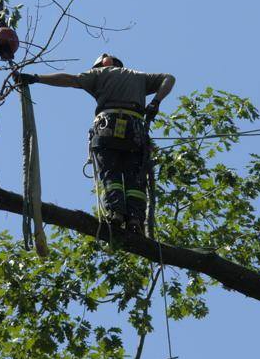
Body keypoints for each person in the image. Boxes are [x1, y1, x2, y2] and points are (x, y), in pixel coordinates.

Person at [15, 54, 175, 232]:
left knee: (110, 172)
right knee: (135, 176)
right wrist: (155, 102)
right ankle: (135, 219)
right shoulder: (139, 77)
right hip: (135, 132)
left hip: (108, 127)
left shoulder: (100, 74)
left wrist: (35, 78)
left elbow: (69, 79)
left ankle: (116, 213)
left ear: (106, 62)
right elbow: (169, 78)